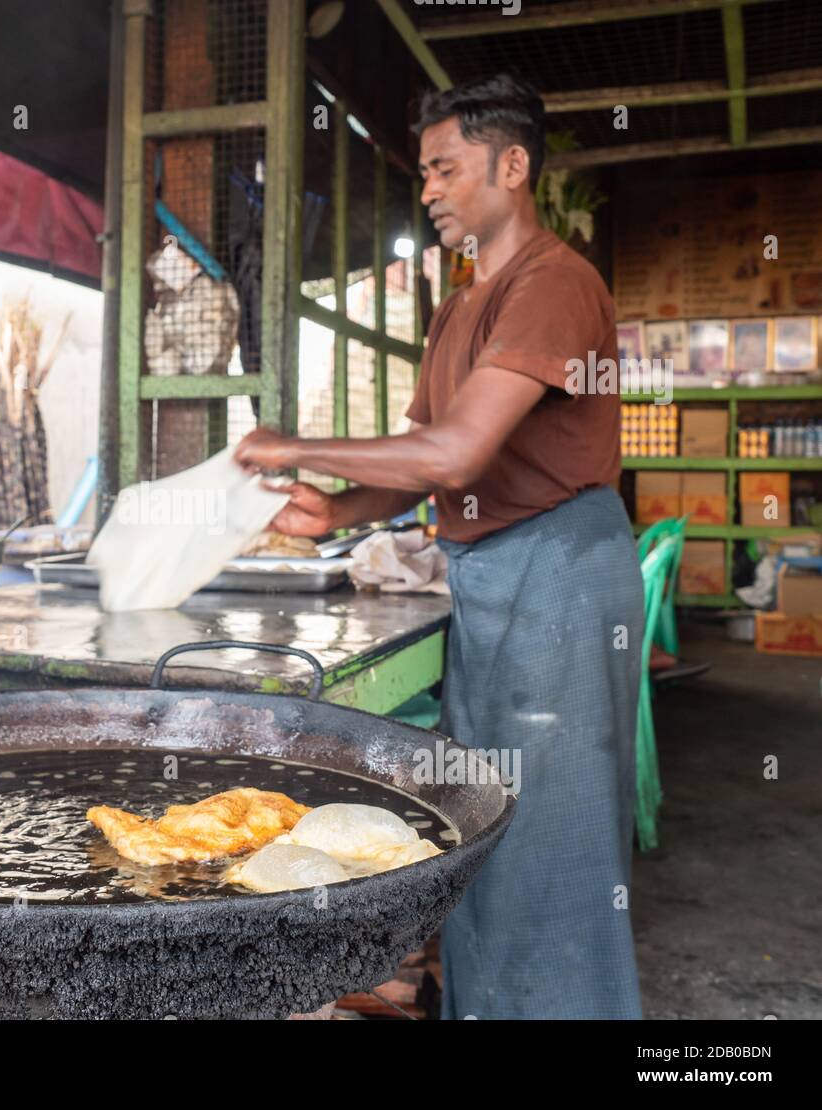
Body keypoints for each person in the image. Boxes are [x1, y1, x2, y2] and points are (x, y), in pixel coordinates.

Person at [234, 74, 644, 1019]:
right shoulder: (463, 305)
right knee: (482, 829)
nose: (428, 190)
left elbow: (459, 448)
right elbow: (427, 461)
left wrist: (294, 441)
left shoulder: (555, 283)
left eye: (445, 169)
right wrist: (334, 512)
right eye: (423, 173)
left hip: (560, 579)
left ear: (512, 165)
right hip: (491, 577)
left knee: (552, 848)